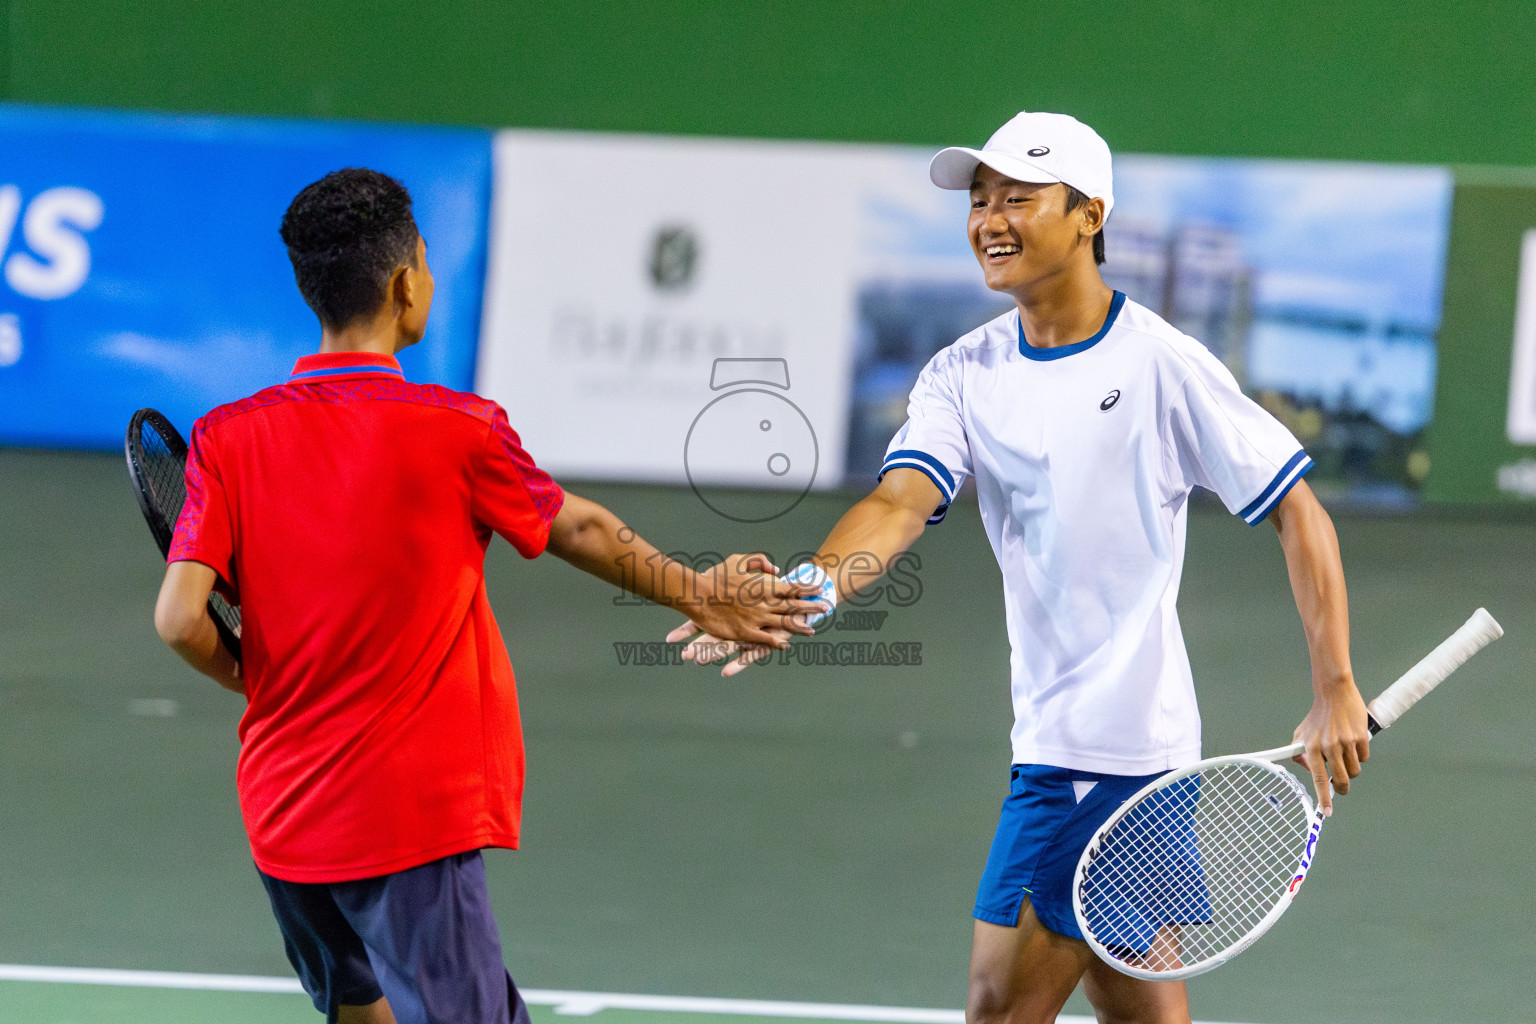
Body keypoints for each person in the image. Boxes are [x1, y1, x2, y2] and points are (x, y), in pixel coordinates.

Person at [669, 112, 1373, 1024]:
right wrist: (814, 587)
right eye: (979, 200)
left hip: (1100, 753)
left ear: (1089, 215)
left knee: (999, 1008)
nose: (990, 220)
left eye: (1018, 198)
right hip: (1085, 739)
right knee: (1138, 1009)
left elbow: (1297, 509)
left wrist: (1336, 685)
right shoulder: (963, 374)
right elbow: (898, 503)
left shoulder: (1163, 364)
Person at [152, 167, 823, 1024]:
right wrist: (698, 593)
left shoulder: (226, 437)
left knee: (360, 1012)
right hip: (407, 818)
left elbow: (179, 618)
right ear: (405, 284)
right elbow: (572, 526)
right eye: (425, 262)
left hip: (284, 813)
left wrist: (253, 677)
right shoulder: (458, 428)